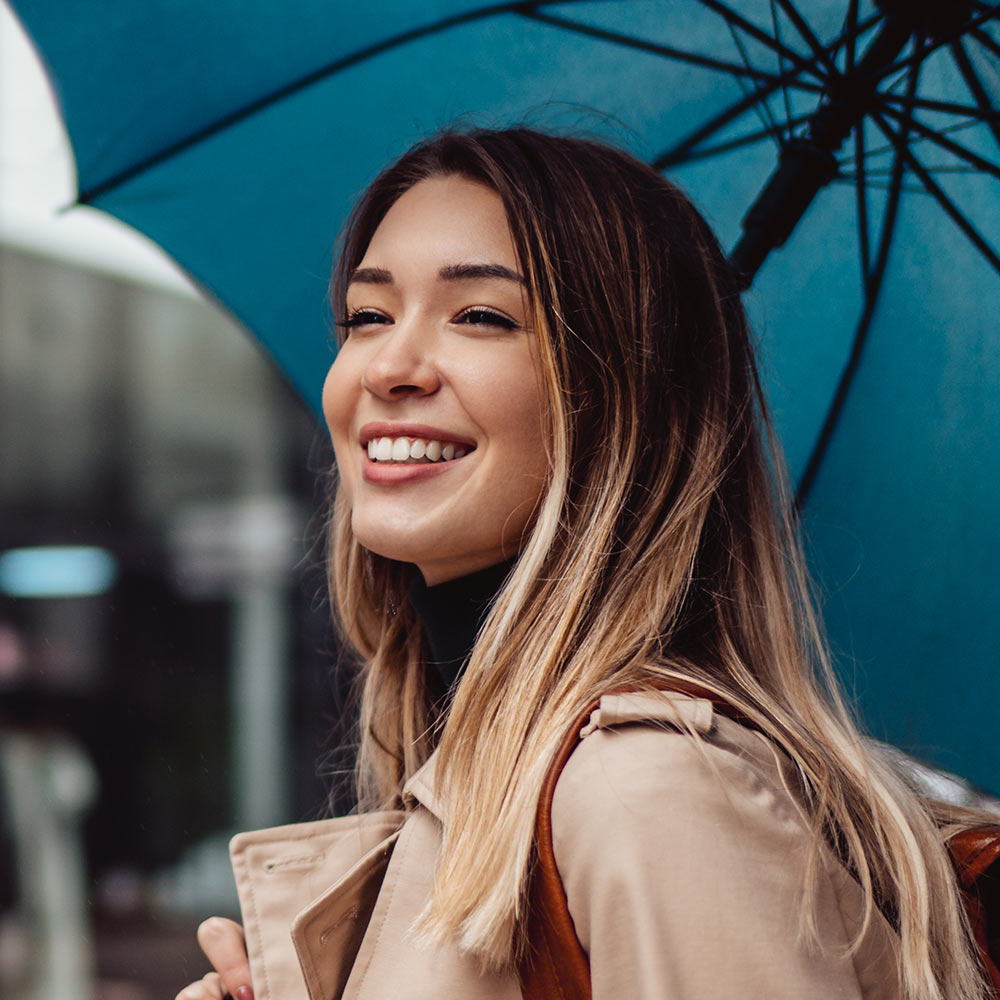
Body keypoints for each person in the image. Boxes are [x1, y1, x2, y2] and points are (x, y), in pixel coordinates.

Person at [177, 128, 995, 1000]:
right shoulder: (508, 778)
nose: (389, 366)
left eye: (482, 316)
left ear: (623, 400)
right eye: (367, 315)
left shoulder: (651, 787)